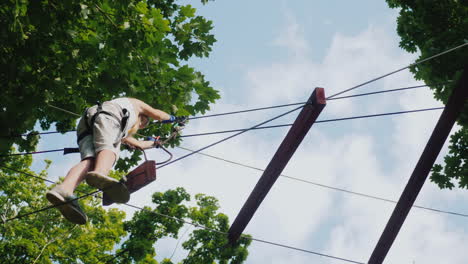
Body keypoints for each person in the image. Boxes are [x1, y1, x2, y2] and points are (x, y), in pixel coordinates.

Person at [46, 97, 184, 224]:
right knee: (110, 149)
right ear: (142, 116)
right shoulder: (135, 105)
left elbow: (138, 143)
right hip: (109, 115)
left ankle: (64, 190)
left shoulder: (122, 127)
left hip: (87, 121)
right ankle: (100, 174)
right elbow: (157, 114)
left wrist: (154, 142)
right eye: (143, 122)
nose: (140, 126)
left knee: (89, 161)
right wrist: (174, 119)